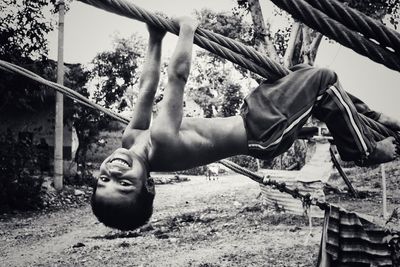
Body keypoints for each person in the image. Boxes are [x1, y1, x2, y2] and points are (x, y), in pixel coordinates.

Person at [91, 17, 400, 231]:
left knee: (303, 73)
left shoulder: (131, 138)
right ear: (147, 183)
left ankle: (372, 120)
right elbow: (177, 77)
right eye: (124, 184)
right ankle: (363, 151)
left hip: (253, 116)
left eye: (104, 181)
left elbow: (146, 88)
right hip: (264, 132)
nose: (114, 173)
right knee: (323, 79)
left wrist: (154, 38)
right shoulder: (161, 140)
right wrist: (186, 29)